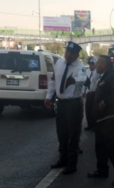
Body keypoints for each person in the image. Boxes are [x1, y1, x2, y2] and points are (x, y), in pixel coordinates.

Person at [45, 41, 86, 175]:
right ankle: (62, 159)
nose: (68, 54)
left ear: (77, 55)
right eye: (67, 51)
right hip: (61, 103)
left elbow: (83, 78)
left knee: (73, 134)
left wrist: (73, 80)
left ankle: (72, 164)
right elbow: (53, 81)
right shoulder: (59, 63)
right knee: (61, 133)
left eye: (72, 53)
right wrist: (48, 97)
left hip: (74, 104)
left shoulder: (80, 67)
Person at [87, 55, 114, 186]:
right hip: (101, 119)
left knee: (111, 147)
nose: (96, 65)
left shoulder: (112, 75)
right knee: (100, 146)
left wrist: (104, 103)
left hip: (110, 118)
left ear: (104, 64)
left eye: (98, 63)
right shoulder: (105, 75)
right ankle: (102, 170)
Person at [83, 59, 96, 131]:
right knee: (88, 109)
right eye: (90, 64)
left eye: (92, 64)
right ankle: (89, 124)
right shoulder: (88, 71)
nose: (91, 66)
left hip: (95, 93)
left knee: (94, 110)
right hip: (89, 92)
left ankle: (94, 125)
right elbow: (86, 83)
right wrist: (84, 92)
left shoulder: (98, 72)